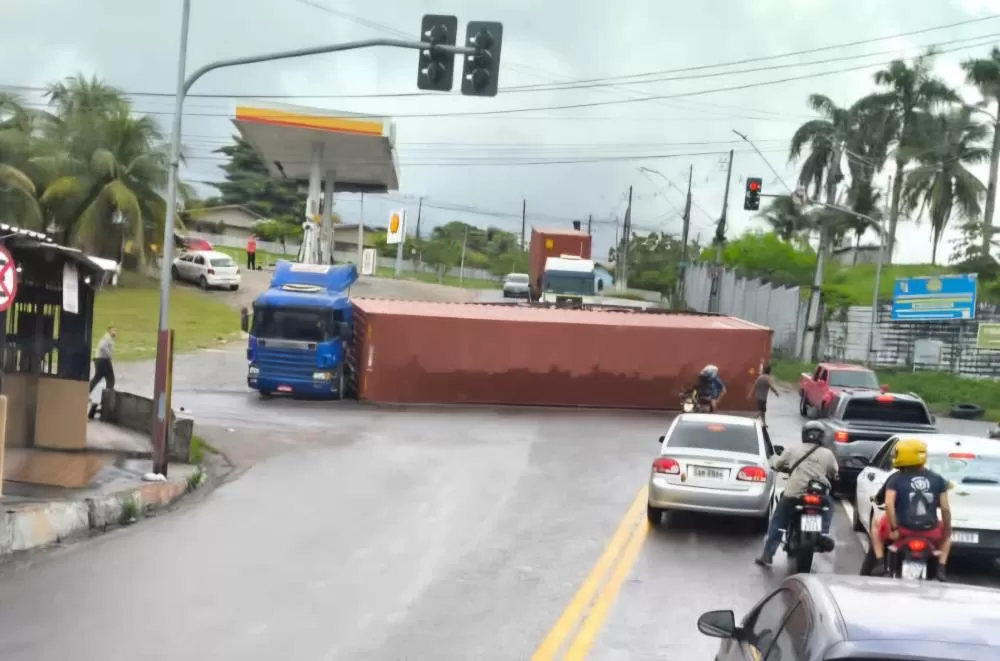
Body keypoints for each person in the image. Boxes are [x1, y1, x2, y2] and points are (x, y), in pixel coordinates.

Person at [863, 438, 952, 580]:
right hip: (930, 531)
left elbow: (889, 505)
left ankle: (880, 562)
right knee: (948, 537)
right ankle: (941, 568)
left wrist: (894, 529)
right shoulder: (938, 479)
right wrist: (947, 529)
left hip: (902, 531)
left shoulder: (896, 478)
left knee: (875, 524)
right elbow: (945, 508)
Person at [755, 421, 838, 568]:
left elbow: (777, 464)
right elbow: (834, 472)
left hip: (794, 494)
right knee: (829, 505)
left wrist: (777, 464)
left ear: (804, 434)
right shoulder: (827, 454)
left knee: (779, 522)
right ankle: (823, 533)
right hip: (819, 496)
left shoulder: (794, 449)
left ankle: (767, 555)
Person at [89, 325, 117, 393]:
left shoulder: (108, 338)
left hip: (101, 361)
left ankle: (87, 391)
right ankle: (109, 393)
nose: (115, 332)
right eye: (113, 331)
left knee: (99, 377)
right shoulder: (106, 338)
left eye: (115, 331)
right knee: (110, 378)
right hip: (103, 361)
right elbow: (102, 347)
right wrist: (109, 355)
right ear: (109, 331)